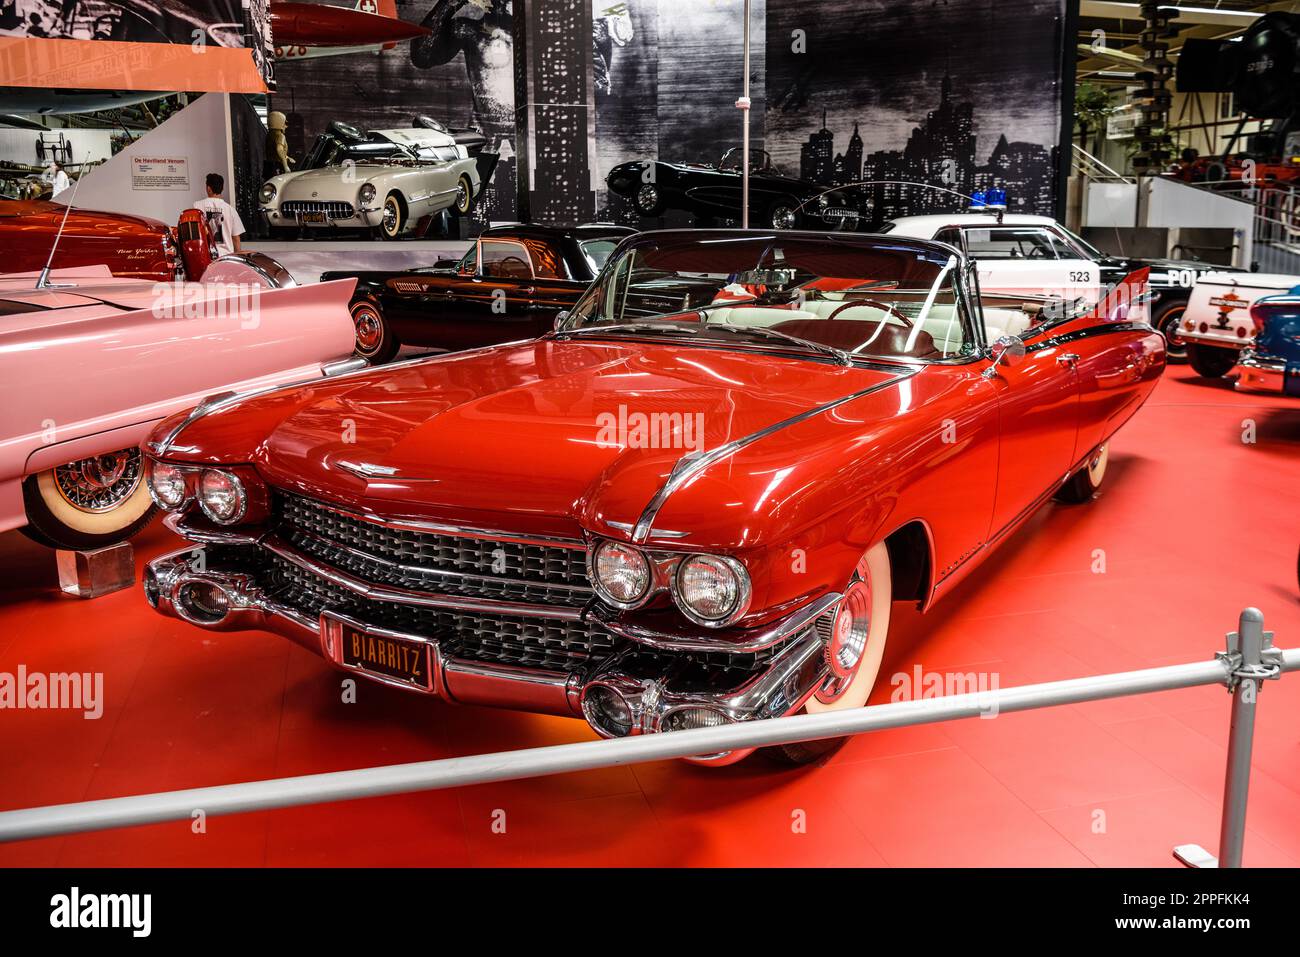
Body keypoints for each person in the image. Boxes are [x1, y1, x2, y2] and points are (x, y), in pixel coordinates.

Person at [192, 173, 245, 258]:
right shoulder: (230, 209)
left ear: (208, 188)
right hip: (226, 257)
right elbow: (236, 238)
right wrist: (238, 258)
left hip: (204, 256)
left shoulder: (197, 206)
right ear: (222, 188)